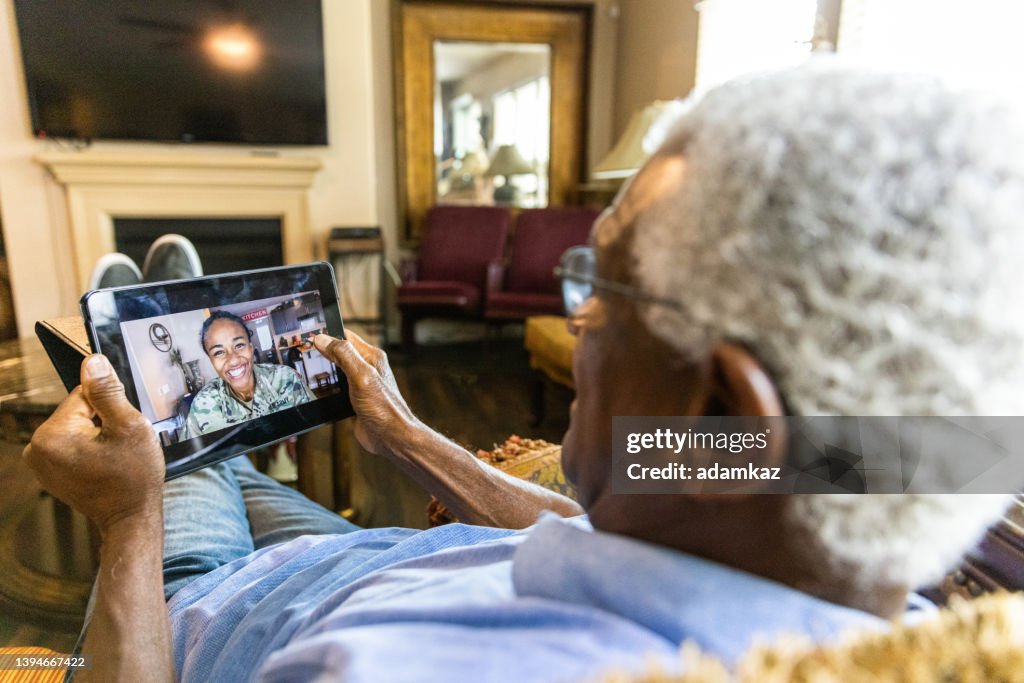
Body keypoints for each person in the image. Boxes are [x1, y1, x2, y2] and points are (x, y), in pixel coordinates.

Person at [23, 59, 1024, 682]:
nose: (576, 315)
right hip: (367, 560)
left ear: (721, 403)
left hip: (207, 611)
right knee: (215, 436)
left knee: (175, 445)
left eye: (605, 284)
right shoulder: (867, 581)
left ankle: (154, 371)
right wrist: (404, 429)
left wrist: (126, 523)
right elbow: (637, 505)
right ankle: (196, 396)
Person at [183, 311, 315, 439]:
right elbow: (191, 458)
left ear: (251, 348)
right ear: (211, 361)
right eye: (218, 352)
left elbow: (317, 428)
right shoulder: (202, 405)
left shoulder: (285, 378)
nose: (233, 360)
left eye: (239, 345)